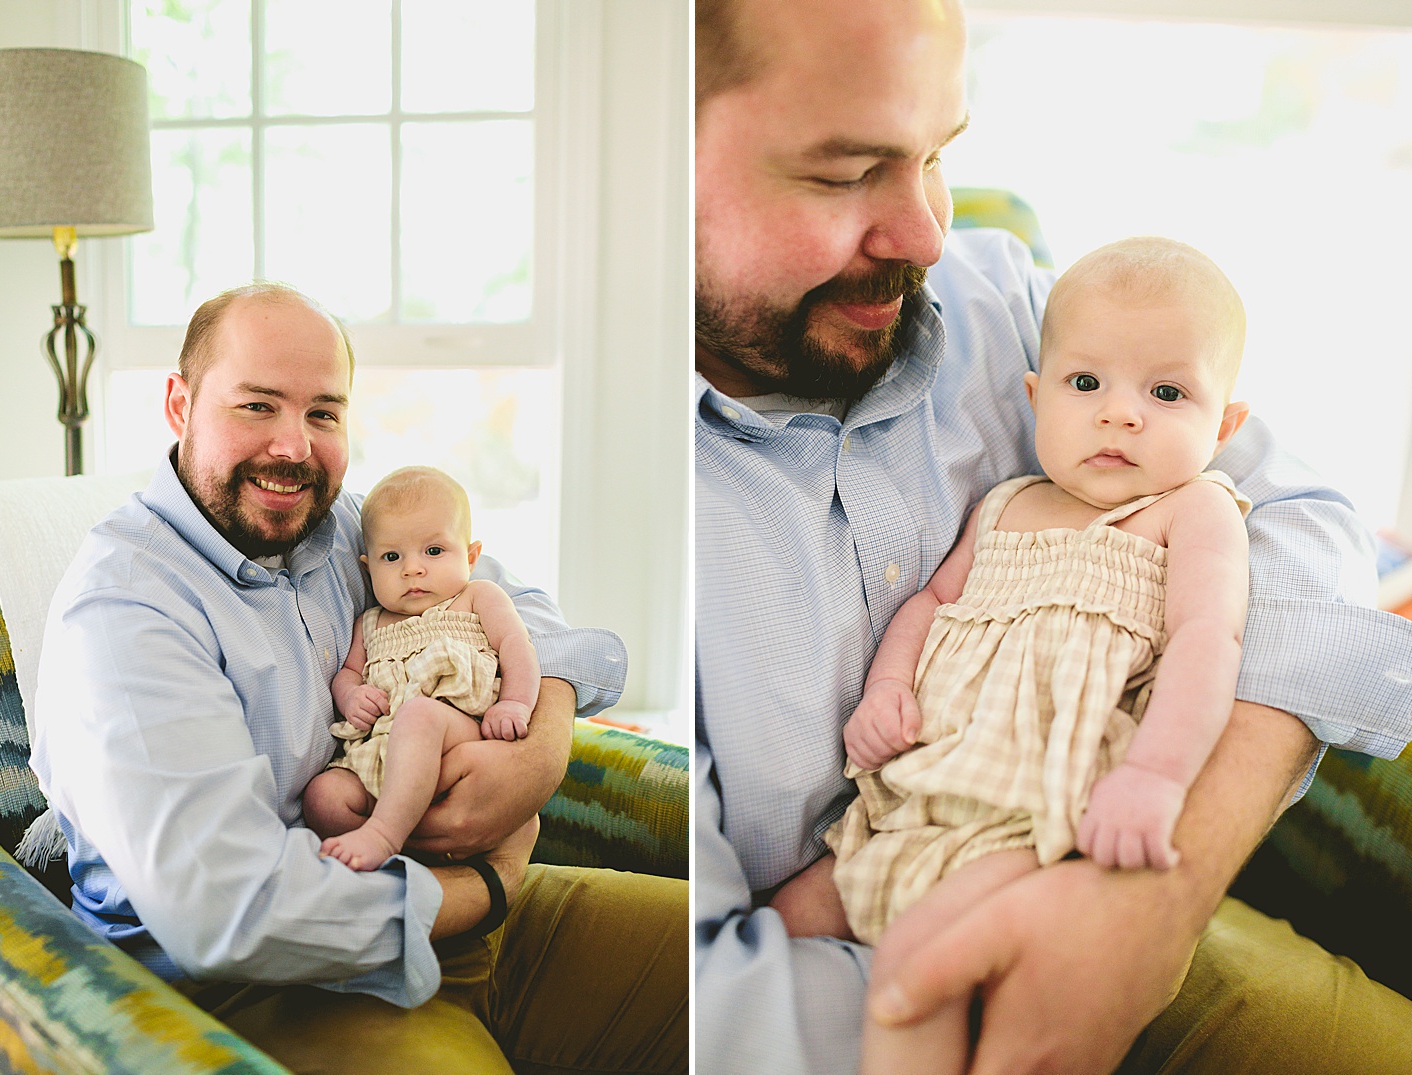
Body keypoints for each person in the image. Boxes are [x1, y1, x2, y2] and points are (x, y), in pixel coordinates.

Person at [694, 1, 1412, 1073]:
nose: (927, 236)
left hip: (1072, 844)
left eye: (939, 155)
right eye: (846, 174)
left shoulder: (1015, 307)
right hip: (857, 898)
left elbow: (1307, 527)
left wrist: (1154, 897)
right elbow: (717, 989)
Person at [31, 283, 687, 1074]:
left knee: (757, 965)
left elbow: (531, 616)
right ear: (180, 404)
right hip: (268, 994)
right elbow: (230, 910)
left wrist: (543, 746)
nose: (293, 447)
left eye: (323, 413)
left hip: (474, 926)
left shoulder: (344, 526)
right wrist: (489, 880)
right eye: (257, 406)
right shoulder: (126, 607)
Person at [810, 237, 1249, 1073]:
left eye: (1167, 391)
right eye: (1086, 384)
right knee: (787, 916)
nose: (1121, 413)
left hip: (1038, 811)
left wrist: (1155, 775)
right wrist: (887, 687)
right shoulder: (1007, 503)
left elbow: (1207, 640)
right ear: (1036, 396)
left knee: (919, 974)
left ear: (1224, 425)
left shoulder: (1191, 512)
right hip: (919, 793)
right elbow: (933, 602)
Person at [305, 465, 541, 872]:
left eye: (433, 551)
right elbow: (347, 673)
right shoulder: (370, 623)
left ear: (470, 556)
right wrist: (351, 695)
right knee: (322, 797)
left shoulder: (477, 597)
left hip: (458, 735)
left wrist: (516, 703)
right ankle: (411, 851)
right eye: (391, 557)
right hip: (380, 752)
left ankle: (383, 834)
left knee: (419, 715)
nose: (412, 569)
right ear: (368, 569)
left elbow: (517, 645)